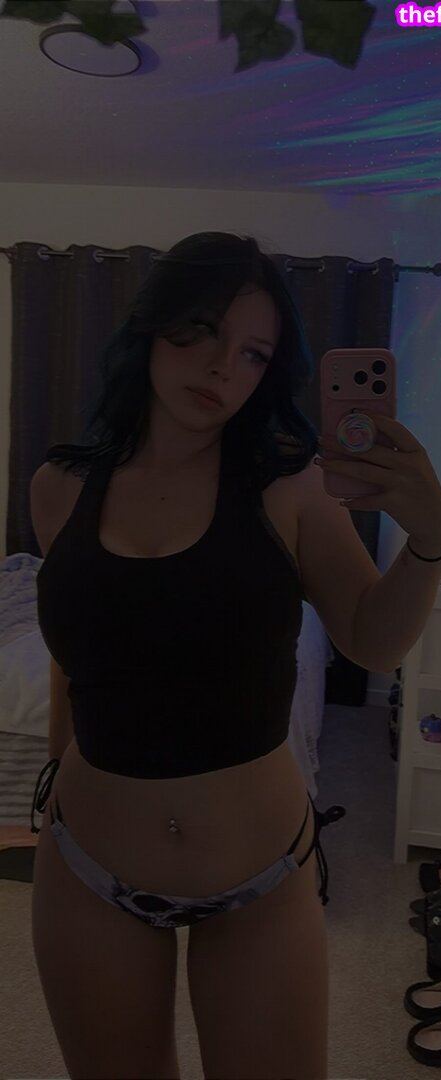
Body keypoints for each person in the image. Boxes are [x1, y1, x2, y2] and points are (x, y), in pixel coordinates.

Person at [28, 231, 360, 1080]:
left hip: (262, 873)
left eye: (253, 354)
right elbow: (79, 642)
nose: (222, 367)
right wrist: (57, 765)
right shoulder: (58, 486)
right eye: (204, 330)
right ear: (152, 322)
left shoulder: (292, 486)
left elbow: (375, 639)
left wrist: (430, 539)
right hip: (86, 864)